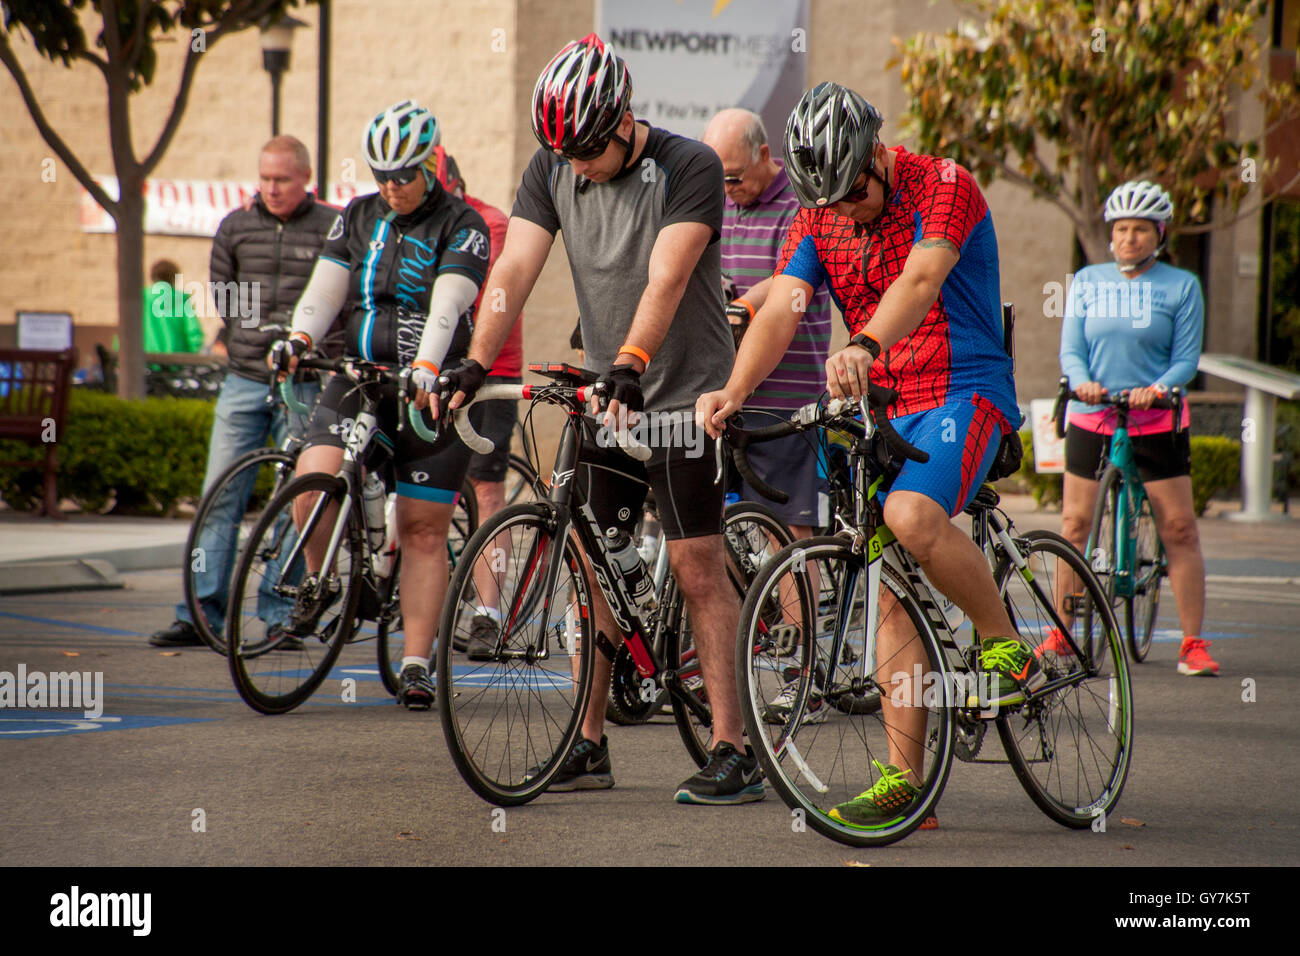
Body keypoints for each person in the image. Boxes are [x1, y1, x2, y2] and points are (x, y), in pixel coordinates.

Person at [697, 82, 1035, 824]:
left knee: (911, 515)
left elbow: (920, 278)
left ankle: (1007, 644)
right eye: (831, 203)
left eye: (854, 193)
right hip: (879, 401)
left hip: (962, 390)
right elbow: (784, 305)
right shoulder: (819, 216)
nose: (845, 212)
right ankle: (905, 784)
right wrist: (733, 389)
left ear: (878, 153)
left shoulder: (943, 185)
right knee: (887, 575)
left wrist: (865, 343)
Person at [438, 34, 764, 804]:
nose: (575, 165)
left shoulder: (686, 167)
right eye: (563, 152)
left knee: (695, 567)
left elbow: (669, 273)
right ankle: (587, 745)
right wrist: (476, 360)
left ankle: (733, 748)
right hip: (603, 393)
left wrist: (632, 363)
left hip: (685, 395)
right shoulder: (553, 162)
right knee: (592, 565)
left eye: (586, 149)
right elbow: (513, 269)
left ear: (622, 120)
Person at [273, 100, 491, 709]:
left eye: (403, 175)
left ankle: (417, 661)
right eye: (380, 176)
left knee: (422, 530)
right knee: (313, 478)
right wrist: (299, 338)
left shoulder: (462, 222)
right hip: (360, 378)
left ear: (431, 164)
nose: (391, 188)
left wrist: (426, 367)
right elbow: (326, 288)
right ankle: (324, 586)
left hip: (429, 390)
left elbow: (448, 304)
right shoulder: (358, 216)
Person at [149, 136, 339, 648]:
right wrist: (258, 338)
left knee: (297, 497)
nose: (272, 188)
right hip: (246, 376)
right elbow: (225, 296)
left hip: (305, 382)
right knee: (219, 495)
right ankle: (199, 612)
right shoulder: (235, 226)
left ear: (306, 180)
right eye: (265, 178)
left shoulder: (332, 227)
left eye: (282, 179)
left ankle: (282, 614)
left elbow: (342, 296)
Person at [701, 108, 834, 722]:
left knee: (791, 542)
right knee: (712, 534)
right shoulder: (717, 202)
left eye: (733, 176)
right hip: (722, 395)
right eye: (717, 178)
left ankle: (797, 672)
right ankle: (726, 666)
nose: (726, 189)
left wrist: (743, 309)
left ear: (764, 156)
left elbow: (787, 283)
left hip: (786, 398)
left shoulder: (797, 207)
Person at [1058, 180, 1215, 676]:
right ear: (1111, 234)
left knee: (1179, 528)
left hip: (1157, 418)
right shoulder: (1087, 281)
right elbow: (1071, 351)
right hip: (1094, 413)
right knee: (1075, 526)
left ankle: (1193, 643)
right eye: (1122, 229)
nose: (1130, 238)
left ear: (1159, 233)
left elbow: (1186, 360)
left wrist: (1160, 387)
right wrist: (1082, 383)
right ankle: (1061, 637)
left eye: (1141, 229)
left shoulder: (1181, 286)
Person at [425, 145, 526, 658]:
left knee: (488, 493)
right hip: (436, 370)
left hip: (491, 372)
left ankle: (488, 615)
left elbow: (485, 296)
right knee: (426, 491)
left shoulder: (491, 223)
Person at [143, 259, 204, 354]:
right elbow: (193, 331)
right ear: (174, 278)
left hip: (146, 360)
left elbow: (127, 329)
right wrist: (193, 354)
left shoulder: (142, 298)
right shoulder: (182, 299)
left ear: (152, 276)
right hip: (176, 361)